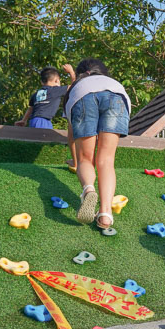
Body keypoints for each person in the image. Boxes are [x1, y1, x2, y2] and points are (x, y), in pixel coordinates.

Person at [63, 58, 131, 234]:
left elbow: (71, 134)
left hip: (83, 99)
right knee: (106, 160)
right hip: (117, 98)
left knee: (86, 158)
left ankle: (88, 189)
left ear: (79, 75)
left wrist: (75, 161)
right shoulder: (112, 82)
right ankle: (105, 214)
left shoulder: (76, 87)